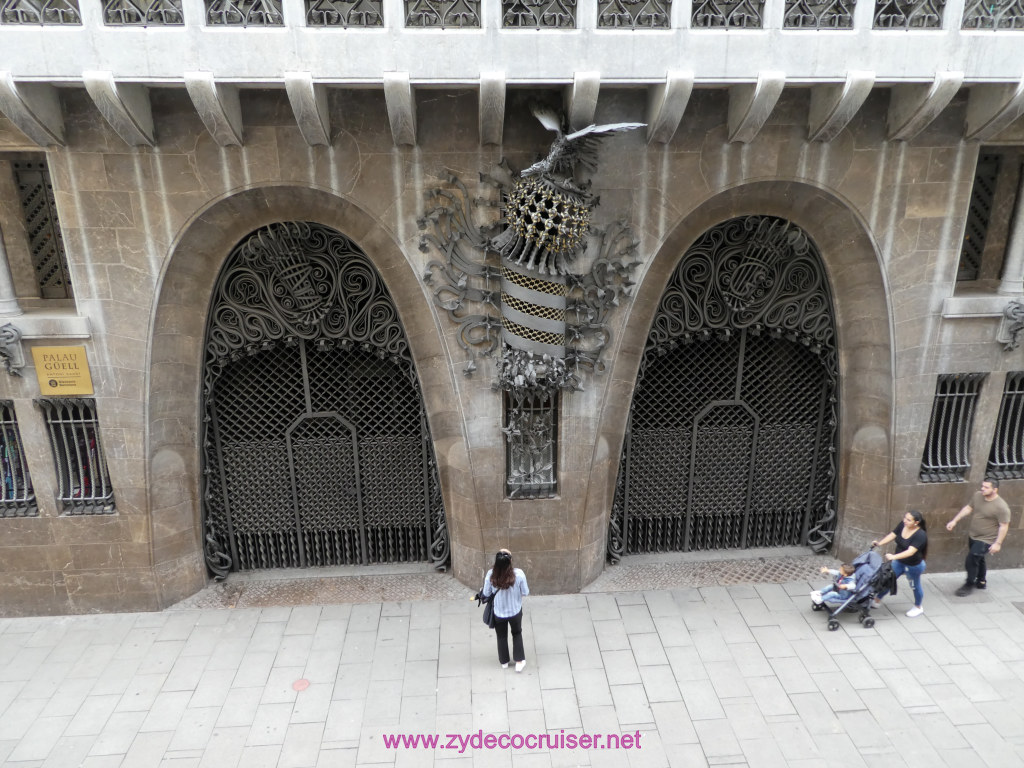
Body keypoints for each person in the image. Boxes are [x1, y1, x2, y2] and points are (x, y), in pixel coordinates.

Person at [947, 478, 1011, 596]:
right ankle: (981, 581)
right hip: (974, 535)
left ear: (995, 489)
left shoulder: (1002, 507)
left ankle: (969, 584)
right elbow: (968, 508)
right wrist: (955, 521)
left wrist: (998, 543)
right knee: (979, 559)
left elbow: (1004, 526)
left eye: (986, 487)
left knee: (971, 560)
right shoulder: (978, 496)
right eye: (982, 486)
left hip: (986, 539)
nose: (983, 489)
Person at [872, 509, 928, 617]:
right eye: (905, 518)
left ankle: (918, 607)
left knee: (915, 586)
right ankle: (877, 600)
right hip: (899, 562)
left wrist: (893, 556)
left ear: (916, 522)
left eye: (908, 520)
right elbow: (893, 534)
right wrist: (880, 543)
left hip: (913, 566)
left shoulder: (920, 535)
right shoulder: (903, 525)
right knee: (888, 579)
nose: (905, 521)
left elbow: (910, 552)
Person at [482, 549, 530, 672]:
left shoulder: (490, 575)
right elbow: (525, 592)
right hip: (515, 611)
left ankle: (504, 661)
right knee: (517, 633)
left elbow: (486, 593)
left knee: (501, 636)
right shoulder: (519, 574)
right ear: (511, 561)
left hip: (499, 612)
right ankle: (519, 661)